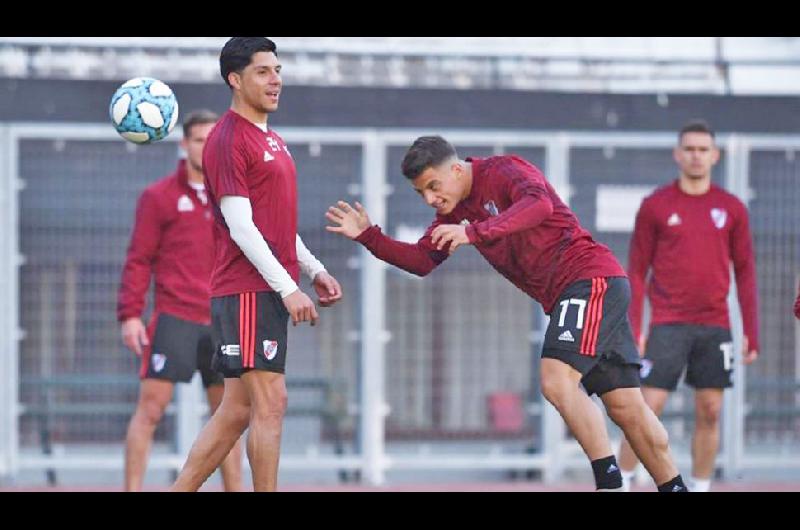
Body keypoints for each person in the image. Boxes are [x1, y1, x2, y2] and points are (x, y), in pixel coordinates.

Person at [326, 135, 687, 492]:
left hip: (589, 280)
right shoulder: (451, 215)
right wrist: (369, 236)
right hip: (585, 291)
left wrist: (475, 233)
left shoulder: (503, 170)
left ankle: (609, 484)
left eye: (433, 186)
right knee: (627, 408)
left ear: (455, 169)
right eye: (422, 194)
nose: (431, 199)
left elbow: (539, 206)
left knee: (556, 380)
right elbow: (421, 261)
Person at [170, 37, 343, 492]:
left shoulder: (272, 140)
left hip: (262, 287)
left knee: (237, 410)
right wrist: (288, 287)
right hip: (248, 289)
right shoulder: (228, 138)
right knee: (271, 402)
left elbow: (276, 224)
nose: (276, 80)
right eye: (263, 71)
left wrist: (314, 269)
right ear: (235, 78)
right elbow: (241, 226)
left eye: (278, 70)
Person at [617, 120, 759, 492]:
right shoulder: (656, 206)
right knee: (646, 409)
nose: (696, 156)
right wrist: (636, 327)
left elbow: (745, 272)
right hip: (667, 323)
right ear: (678, 155)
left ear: (715, 155)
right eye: (690, 149)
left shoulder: (731, 209)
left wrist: (751, 332)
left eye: (703, 149)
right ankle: (623, 481)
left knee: (710, 411)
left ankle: (700, 486)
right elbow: (635, 270)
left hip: (715, 325)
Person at [118, 109, 243, 492]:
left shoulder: (235, 197)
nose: (207, 149)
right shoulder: (158, 197)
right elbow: (139, 258)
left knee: (229, 416)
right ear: (184, 144)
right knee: (150, 410)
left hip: (224, 320)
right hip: (175, 318)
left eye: (213, 141)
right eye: (200, 141)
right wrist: (130, 315)